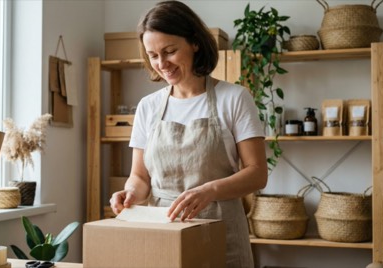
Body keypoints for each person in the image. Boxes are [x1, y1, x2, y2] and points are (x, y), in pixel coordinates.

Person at [109, 1, 268, 267]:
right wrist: (130, 193)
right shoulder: (148, 107)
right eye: (153, 55)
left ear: (194, 43)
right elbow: (139, 176)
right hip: (163, 232)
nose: (162, 64)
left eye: (169, 51)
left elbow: (257, 173)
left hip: (221, 231)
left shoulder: (235, 98)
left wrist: (210, 190)